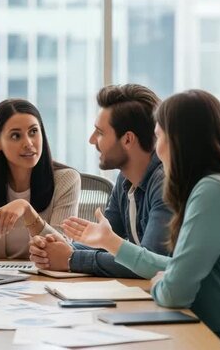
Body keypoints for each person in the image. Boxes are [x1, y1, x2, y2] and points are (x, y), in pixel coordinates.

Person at [63, 89, 220, 341]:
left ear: (179, 141)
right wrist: (113, 243)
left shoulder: (214, 191)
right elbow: (178, 268)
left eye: (158, 136)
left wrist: (163, 282)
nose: (156, 148)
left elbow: (175, 293)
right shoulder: (216, 186)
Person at [29, 84, 171, 277]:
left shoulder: (164, 184)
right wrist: (56, 248)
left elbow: (148, 263)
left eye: (100, 133)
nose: (91, 139)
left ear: (128, 139)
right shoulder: (125, 179)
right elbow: (106, 243)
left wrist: (71, 259)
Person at [0, 98, 80, 259]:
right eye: (16, 136)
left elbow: (62, 249)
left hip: (44, 279)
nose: (28, 143)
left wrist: (27, 211)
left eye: (33, 132)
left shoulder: (66, 179)